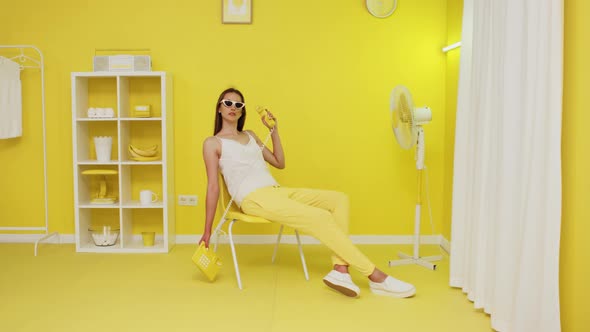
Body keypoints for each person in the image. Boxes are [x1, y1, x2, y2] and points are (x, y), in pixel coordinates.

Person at [199, 87, 416, 298]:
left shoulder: (251, 134)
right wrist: (207, 231)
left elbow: (279, 162)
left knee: (339, 199)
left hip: (277, 192)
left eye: (238, 104)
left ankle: (340, 270)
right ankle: (375, 276)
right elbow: (213, 187)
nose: (233, 107)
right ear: (219, 108)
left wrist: (274, 131)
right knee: (320, 217)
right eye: (228, 103)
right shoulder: (212, 143)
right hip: (253, 198)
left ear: (242, 110)